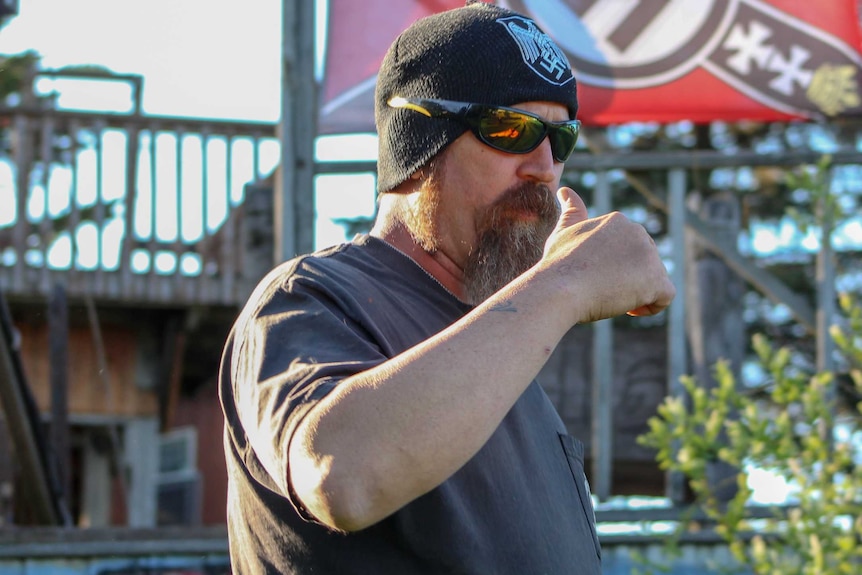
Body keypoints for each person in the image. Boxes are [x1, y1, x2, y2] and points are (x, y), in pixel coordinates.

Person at [219, 2, 675, 573]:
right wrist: (568, 281)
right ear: (417, 149)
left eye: (561, 139)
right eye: (510, 130)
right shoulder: (309, 298)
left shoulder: (504, 348)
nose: (543, 166)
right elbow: (341, 473)